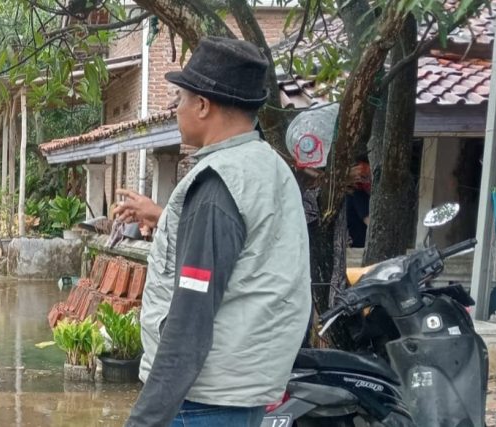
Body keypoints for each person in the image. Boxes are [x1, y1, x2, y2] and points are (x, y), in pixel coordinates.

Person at [113, 37, 311, 427]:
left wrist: (144, 420)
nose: (176, 111)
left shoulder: (218, 186)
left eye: (179, 100)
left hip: (201, 404)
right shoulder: (269, 167)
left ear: (203, 105)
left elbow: (189, 322)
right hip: (240, 396)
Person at [346, 157, 372, 248]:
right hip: (361, 246)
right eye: (364, 177)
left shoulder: (348, 194)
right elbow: (371, 222)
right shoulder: (357, 194)